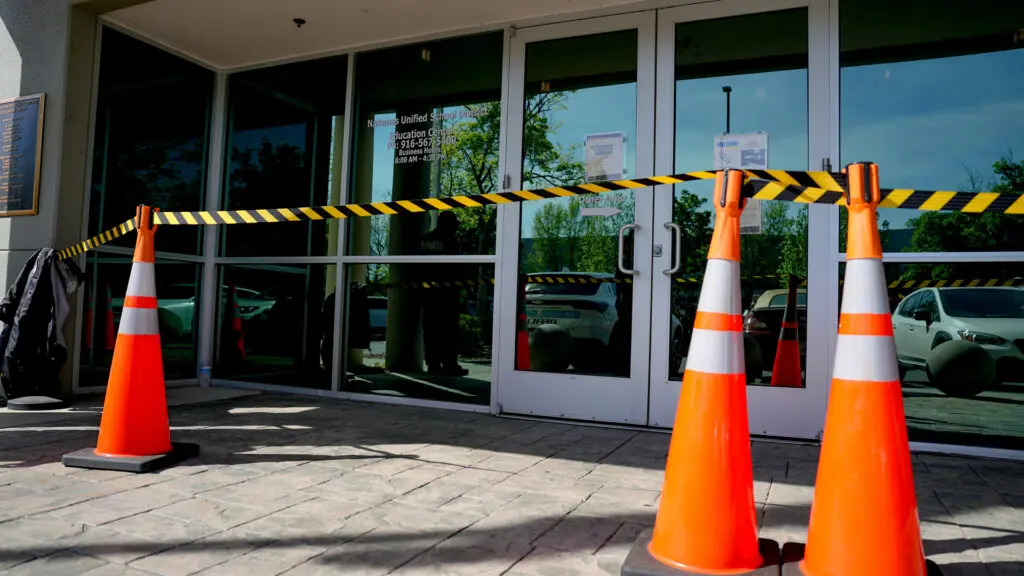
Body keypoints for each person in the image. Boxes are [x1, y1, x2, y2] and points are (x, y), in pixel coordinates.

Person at [419, 211, 469, 376]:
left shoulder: (425, 240)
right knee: (449, 329)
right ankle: (449, 363)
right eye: (455, 224)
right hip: (448, 294)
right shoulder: (451, 241)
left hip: (429, 294)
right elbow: (458, 267)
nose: (457, 227)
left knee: (431, 329)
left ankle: (433, 364)